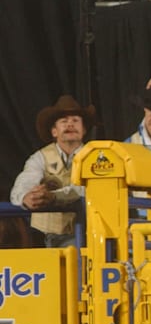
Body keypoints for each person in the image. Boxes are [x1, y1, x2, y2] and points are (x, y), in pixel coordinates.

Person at [10, 95, 94, 248]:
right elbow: (24, 183)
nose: (70, 125)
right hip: (42, 236)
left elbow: (87, 190)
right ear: (54, 132)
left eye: (75, 120)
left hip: (86, 233)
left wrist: (53, 197)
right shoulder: (40, 158)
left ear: (84, 130)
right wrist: (26, 197)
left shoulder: (94, 157)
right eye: (64, 121)